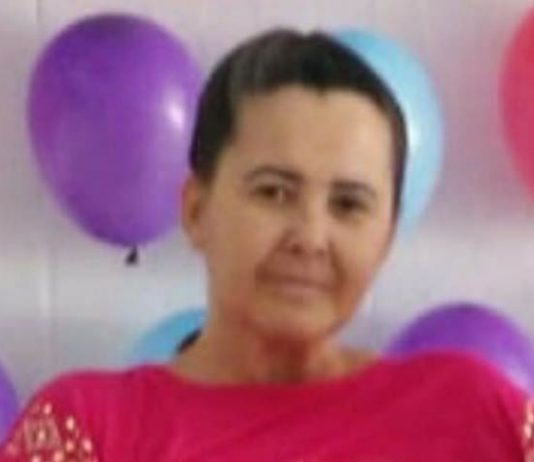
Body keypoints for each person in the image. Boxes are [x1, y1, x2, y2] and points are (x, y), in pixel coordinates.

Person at [1, 29, 532, 462]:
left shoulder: (476, 414)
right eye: (274, 192)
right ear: (196, 209)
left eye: (348, 204)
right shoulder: (89, 428)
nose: (310, 237)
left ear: (388, 234)